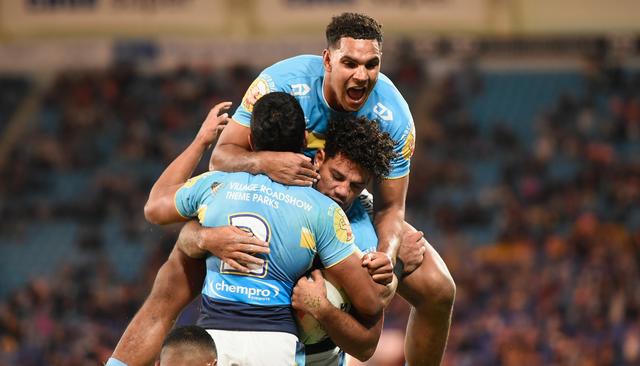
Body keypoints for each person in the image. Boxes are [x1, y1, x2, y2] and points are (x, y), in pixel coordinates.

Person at [111, 12, 455, 366]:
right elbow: (224, 156)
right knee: (173, 279)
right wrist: (265, 163)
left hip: (343, 209)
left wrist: (387, 254)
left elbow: (391, 208)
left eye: (372, 65)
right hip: (272, 196)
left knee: (440, 290)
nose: (362, 75)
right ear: (327, 59)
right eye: (350, 63)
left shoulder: (394, 116)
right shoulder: (282, 82)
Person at [118, 92, 389, 366]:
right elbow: (370, 303)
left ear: (250, 141)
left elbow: (154, 207)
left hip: (216, 340)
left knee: (171, 277)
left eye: (354, 185)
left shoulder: (215, 186)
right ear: (306, 145)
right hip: (277, 345)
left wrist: (202, 142)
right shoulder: (323, 210)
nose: (343, 190)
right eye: (339, 178)